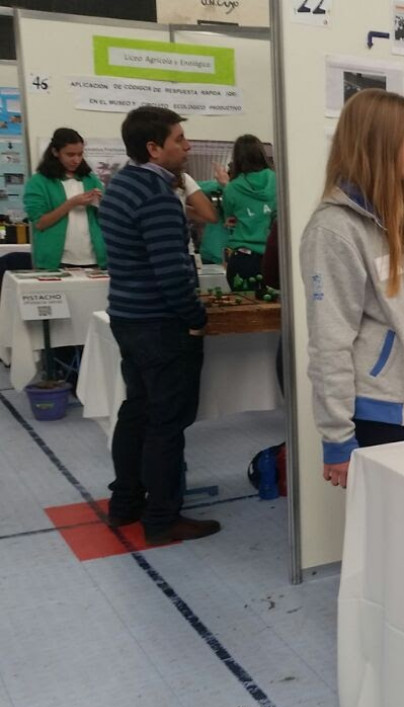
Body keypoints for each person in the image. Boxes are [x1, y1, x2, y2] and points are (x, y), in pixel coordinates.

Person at [300, 90, 404, 489]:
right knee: (384, 537)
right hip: (375, 418)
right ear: (376, 139)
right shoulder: (335, 231)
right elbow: (329, 342)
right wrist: (337, 438)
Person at [98, 106, 218, 546]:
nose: (187, 147)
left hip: (128, 317)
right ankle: (163, 519)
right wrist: (195, 318)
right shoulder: (156, 196)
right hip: (161, 324)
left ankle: (126, 504)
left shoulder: (121, 184)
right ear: (153, 147)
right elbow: (171, 273)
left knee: (137, 411)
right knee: (166, 424)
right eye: (180, 139)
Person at [24, 128, 106, 269]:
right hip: (57, 261)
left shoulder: (90, 179)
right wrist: (71, 203)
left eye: (80, 154)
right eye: (70, 155)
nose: (76, 160)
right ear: (55, 152)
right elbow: (40, 224)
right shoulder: (38, 182)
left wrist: (103, 202)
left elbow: (105, 219)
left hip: (94, 258)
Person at [205, 135, 277, 290]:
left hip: (243, 258)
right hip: (274, 258)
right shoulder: (279, 181)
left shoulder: (232, 188)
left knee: (244, 310)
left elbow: (230, 220)